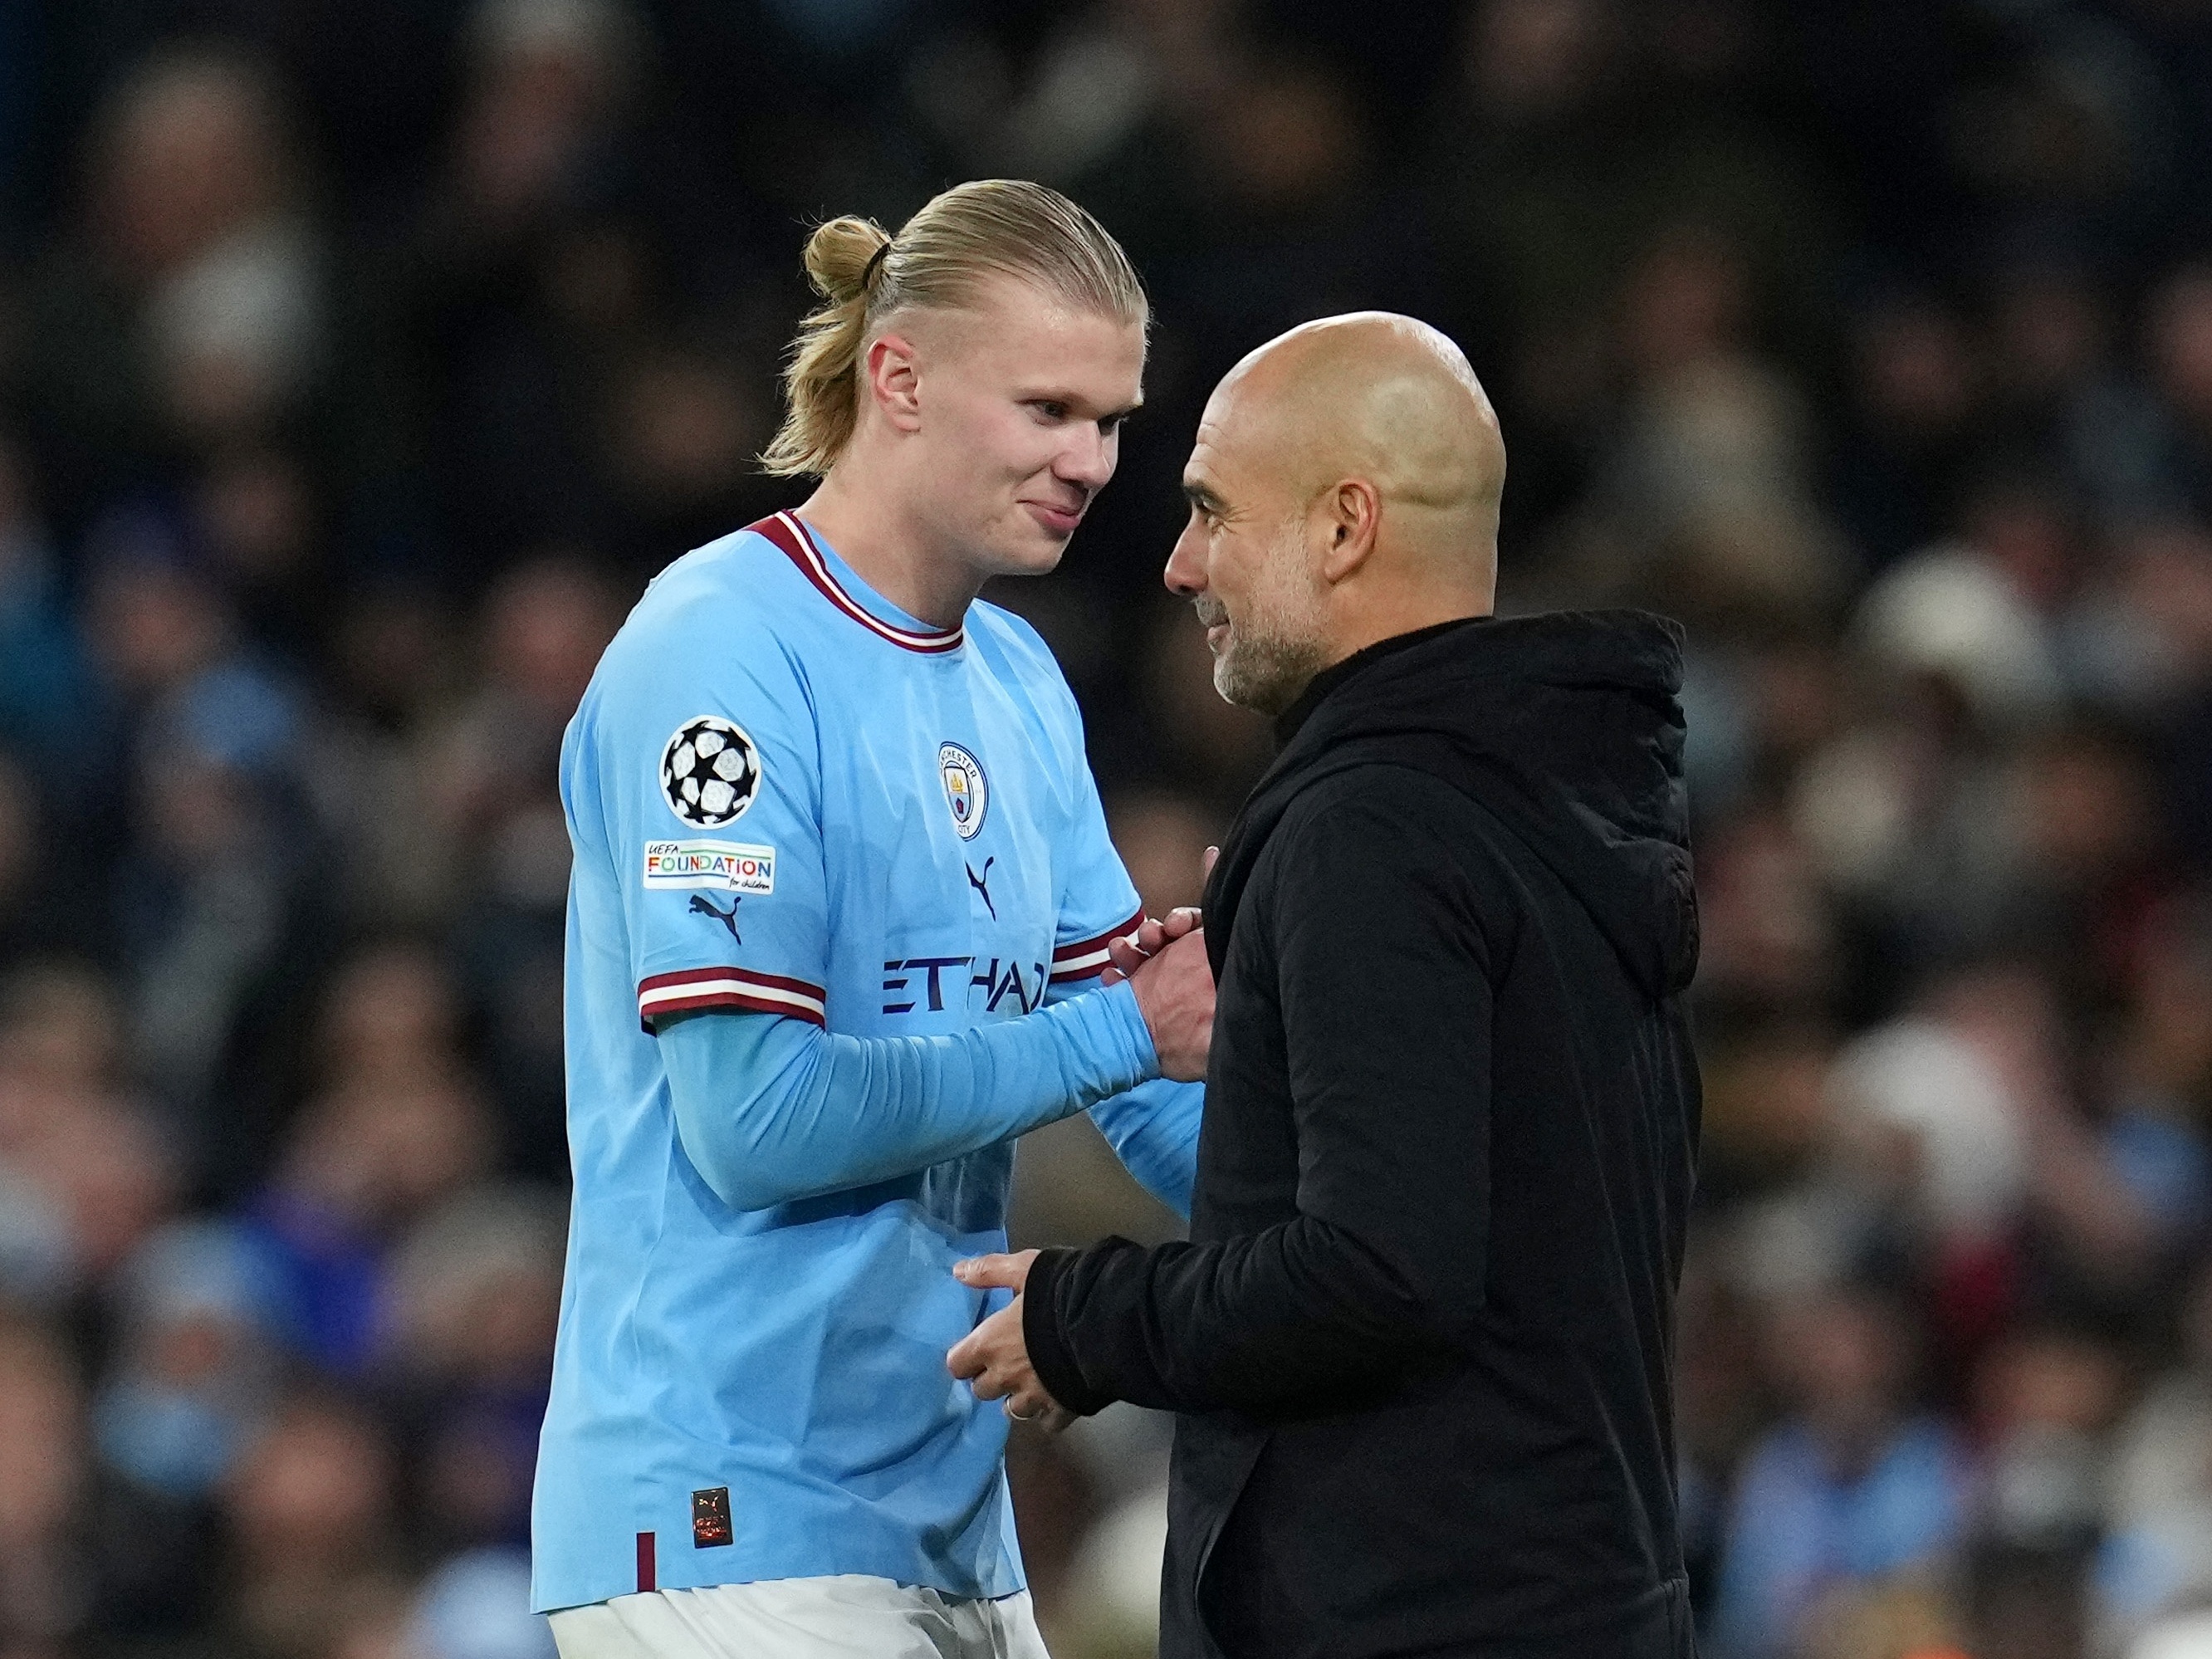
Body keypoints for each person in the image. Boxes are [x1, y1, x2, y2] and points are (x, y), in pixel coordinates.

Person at [949, 313, 1703, 1659]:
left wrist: (1089, 1317)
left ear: (1346, 524)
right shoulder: (1546, 814)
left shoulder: (1374, 829)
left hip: (1415, 1617)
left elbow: (1380, 1268)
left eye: (1211, 511)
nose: (1180, 565)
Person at [533, 179, 1215, 1658]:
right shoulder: (719, 649)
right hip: (722, 1513)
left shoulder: (1020, 685)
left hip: (948, 1516)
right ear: (897, 375)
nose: (1091, 462)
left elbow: (1156, 1076)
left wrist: (1379, 1227)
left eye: (1111, 420)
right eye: (1048, 408)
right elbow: (755, 1117)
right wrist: (1120, 1028)